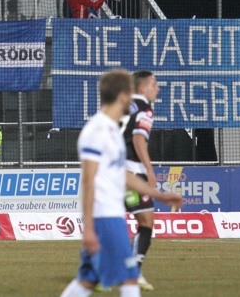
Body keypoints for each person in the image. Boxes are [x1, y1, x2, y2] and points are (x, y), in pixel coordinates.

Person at [60, 69, 182, 297]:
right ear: (123, 95)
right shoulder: (96, 131)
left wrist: (159, 195)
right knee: (129, 277)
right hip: (104, 217)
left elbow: (123, 175)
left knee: (87, 281)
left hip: (111, 214)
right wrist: (88, 227)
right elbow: (87, 181)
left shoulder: (113, 130)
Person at [123, 70, 161, 291]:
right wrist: (149, 169)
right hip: (132, 172)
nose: (158, 88)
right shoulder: (145, 109)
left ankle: (97, 272)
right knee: (146, 222)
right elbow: (139, 140)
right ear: (142, 88)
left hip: (110, 171)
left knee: (111, 224)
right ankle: (133, 272)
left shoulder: (123, 107)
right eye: (154, 84)